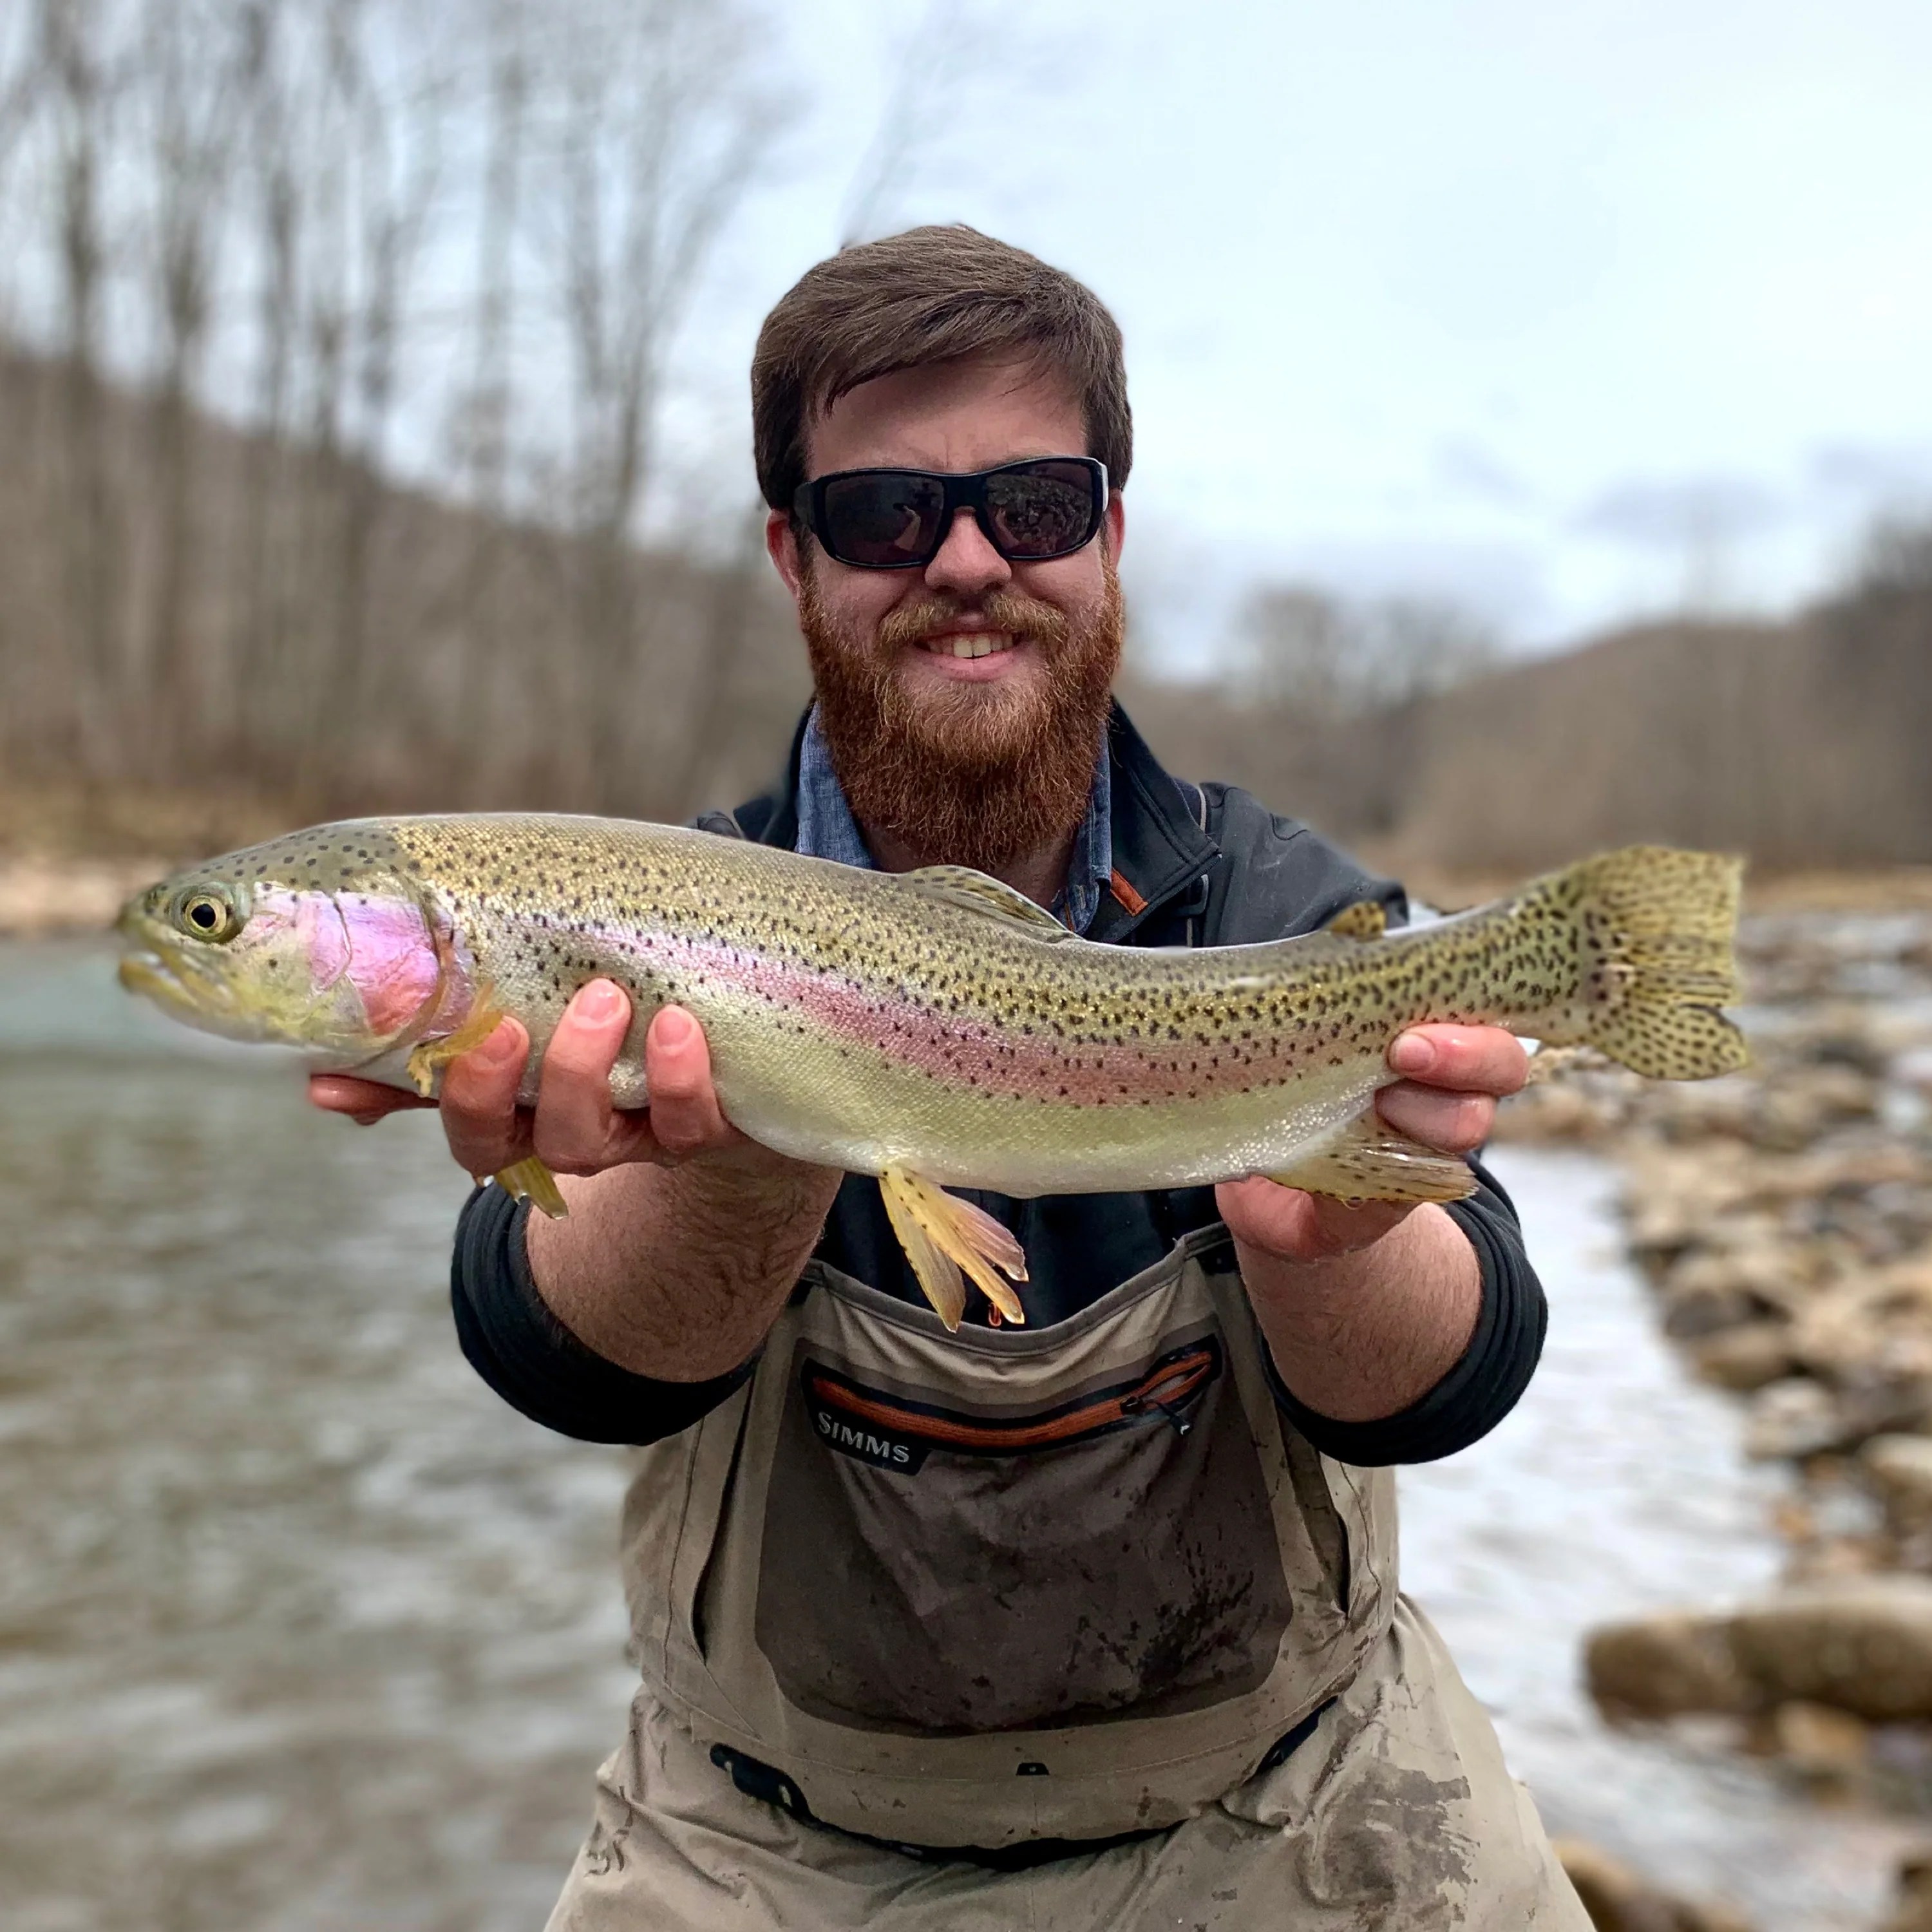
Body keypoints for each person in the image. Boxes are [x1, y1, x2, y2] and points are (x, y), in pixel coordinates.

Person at [312, 225, 1589, 1929]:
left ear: (1111, 536)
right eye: (886, 513)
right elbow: (561, 1362)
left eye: (1037, 505)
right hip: (768, 1840)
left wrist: (1332, 1233)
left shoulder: (1287, 914)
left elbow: (1460, 1372)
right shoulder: (667, 911)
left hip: (1297, 1797)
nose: (969, 559)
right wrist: (749, 1151)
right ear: (794, 555)